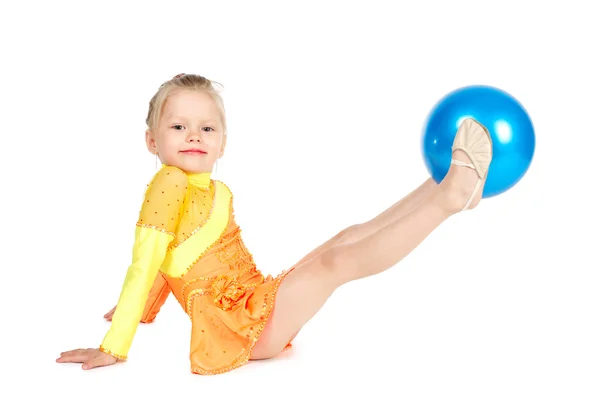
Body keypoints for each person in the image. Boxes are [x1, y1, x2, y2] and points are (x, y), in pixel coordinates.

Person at [56, 73, 493, 375]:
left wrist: (141, 308)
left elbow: (167, 259)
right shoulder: (167, 184)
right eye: (178, 126)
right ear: (152, 140)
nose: (194, 136)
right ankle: (450, 198)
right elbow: (146, 259)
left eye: (207, 127)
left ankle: (439, 188)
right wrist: (116, 341)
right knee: (336, 263)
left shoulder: (209, 188)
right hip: (241, 328)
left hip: (254, 304)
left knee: (340, 241)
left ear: (223, 143)